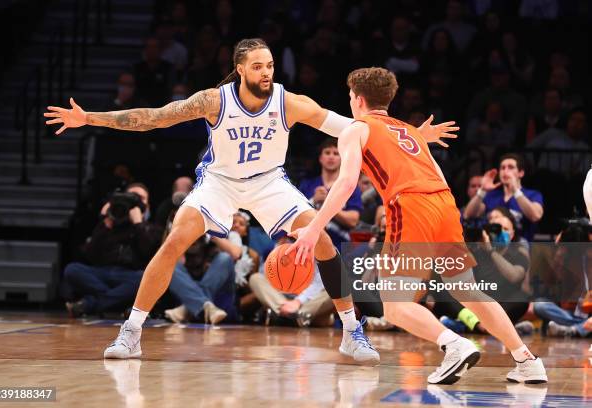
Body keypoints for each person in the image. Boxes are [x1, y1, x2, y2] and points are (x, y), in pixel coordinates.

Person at [46, 39, 450, 364]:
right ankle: (132, 331)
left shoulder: (289, 102)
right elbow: (155, 116)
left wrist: (411, 134)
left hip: (269, 183)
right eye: (258, 66)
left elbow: (357, 127)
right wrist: (91, 118)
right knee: (174, 240)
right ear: (240, 68)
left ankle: (351, 332)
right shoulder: (214, 101)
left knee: (323, 242)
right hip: (219, 182)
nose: (266, 72)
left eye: (270, 65)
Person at [288, 67, 547, 384]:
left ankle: (454, 345)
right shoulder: (408, 131)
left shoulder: (355, 129)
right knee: (467, 290)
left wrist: (314, 227)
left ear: (356, 99)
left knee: (395, 306)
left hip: (411, 207)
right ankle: (527, 360)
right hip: (445, 205)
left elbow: (345, 183)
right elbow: (436, 175)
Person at [64, 183, 163, 317]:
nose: (135, 201)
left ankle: (89, 305)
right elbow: (90, 254)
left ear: (148, 205)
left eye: (140, 198)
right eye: (131, 196)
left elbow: (149, 253)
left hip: (131, 275)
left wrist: (138, 224)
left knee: (144, 279)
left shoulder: (153, 228)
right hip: (103, 273)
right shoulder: (110, 224)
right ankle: (120, 304)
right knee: (72, 269)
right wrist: (104, 223)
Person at [463, 153, 544, 242]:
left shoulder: (532, 194)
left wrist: (515, 191)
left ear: (521, 173)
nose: (505, 171)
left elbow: (536, 215)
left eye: (510, 167)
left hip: (520, 248)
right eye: (502, 168)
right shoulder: (492, 195)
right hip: (491, 246)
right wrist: (482, 191)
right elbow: (468, 214)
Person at [299, 138, 363, 248]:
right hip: (309, 244)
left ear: (342, 159)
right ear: (320, 158)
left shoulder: (350, 185)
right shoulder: (306, 185)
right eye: (327, 152)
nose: (331, 156)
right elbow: (295, 214)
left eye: (336, 153)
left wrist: (329, 204)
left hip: (341, 245)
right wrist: (313, 201)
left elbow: (353, 220)